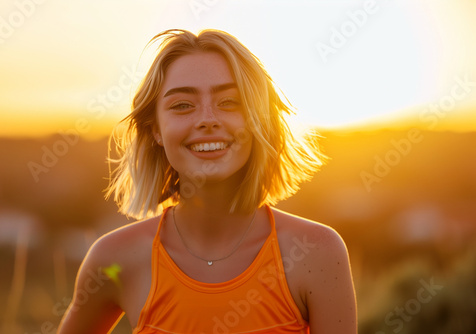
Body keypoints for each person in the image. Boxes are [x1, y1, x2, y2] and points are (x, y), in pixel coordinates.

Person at [58, 29, 357, 334]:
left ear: (259, 120)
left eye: (229, 102)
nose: (207, 119)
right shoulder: (114, 259)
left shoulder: (316, 252)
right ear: (156, 130)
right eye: (183, 105)